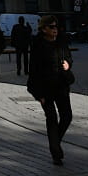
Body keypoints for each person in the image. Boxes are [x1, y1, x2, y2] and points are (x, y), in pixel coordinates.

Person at [27, 14, 73, 165]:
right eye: (51, 27)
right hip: (45, 89)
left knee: (67, 116)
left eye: (56, 27)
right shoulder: (38, 45)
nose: (55, 30)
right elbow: (33, 71)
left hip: (61, 85)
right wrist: (39, 94)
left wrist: (67, 64)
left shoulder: (61, 41)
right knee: (52, 118)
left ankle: (54, 143)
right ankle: (56, 153)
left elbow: (68, 57)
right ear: (44, 29)